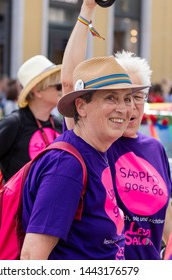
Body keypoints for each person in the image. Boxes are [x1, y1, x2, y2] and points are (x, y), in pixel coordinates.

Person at [61, 0, 172, 260]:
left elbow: (165, 216)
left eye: (137, 96)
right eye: (119, 97)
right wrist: (87, 10)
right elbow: (69, 82)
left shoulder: (154, 148)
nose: (129, 107)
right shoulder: (94, 141)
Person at [20, 55, 149, 260]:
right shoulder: (66, 166)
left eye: (127, 98)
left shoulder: (96, 152)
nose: (124, 109)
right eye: (110, 98)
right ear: (81, 106)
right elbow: (31, 257)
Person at [0, 55, 63, 250]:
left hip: (50, 218)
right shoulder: (14, 123)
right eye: (57, 86)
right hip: (16, 222)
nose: (62, 90)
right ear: (38, 90)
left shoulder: (59, 125)